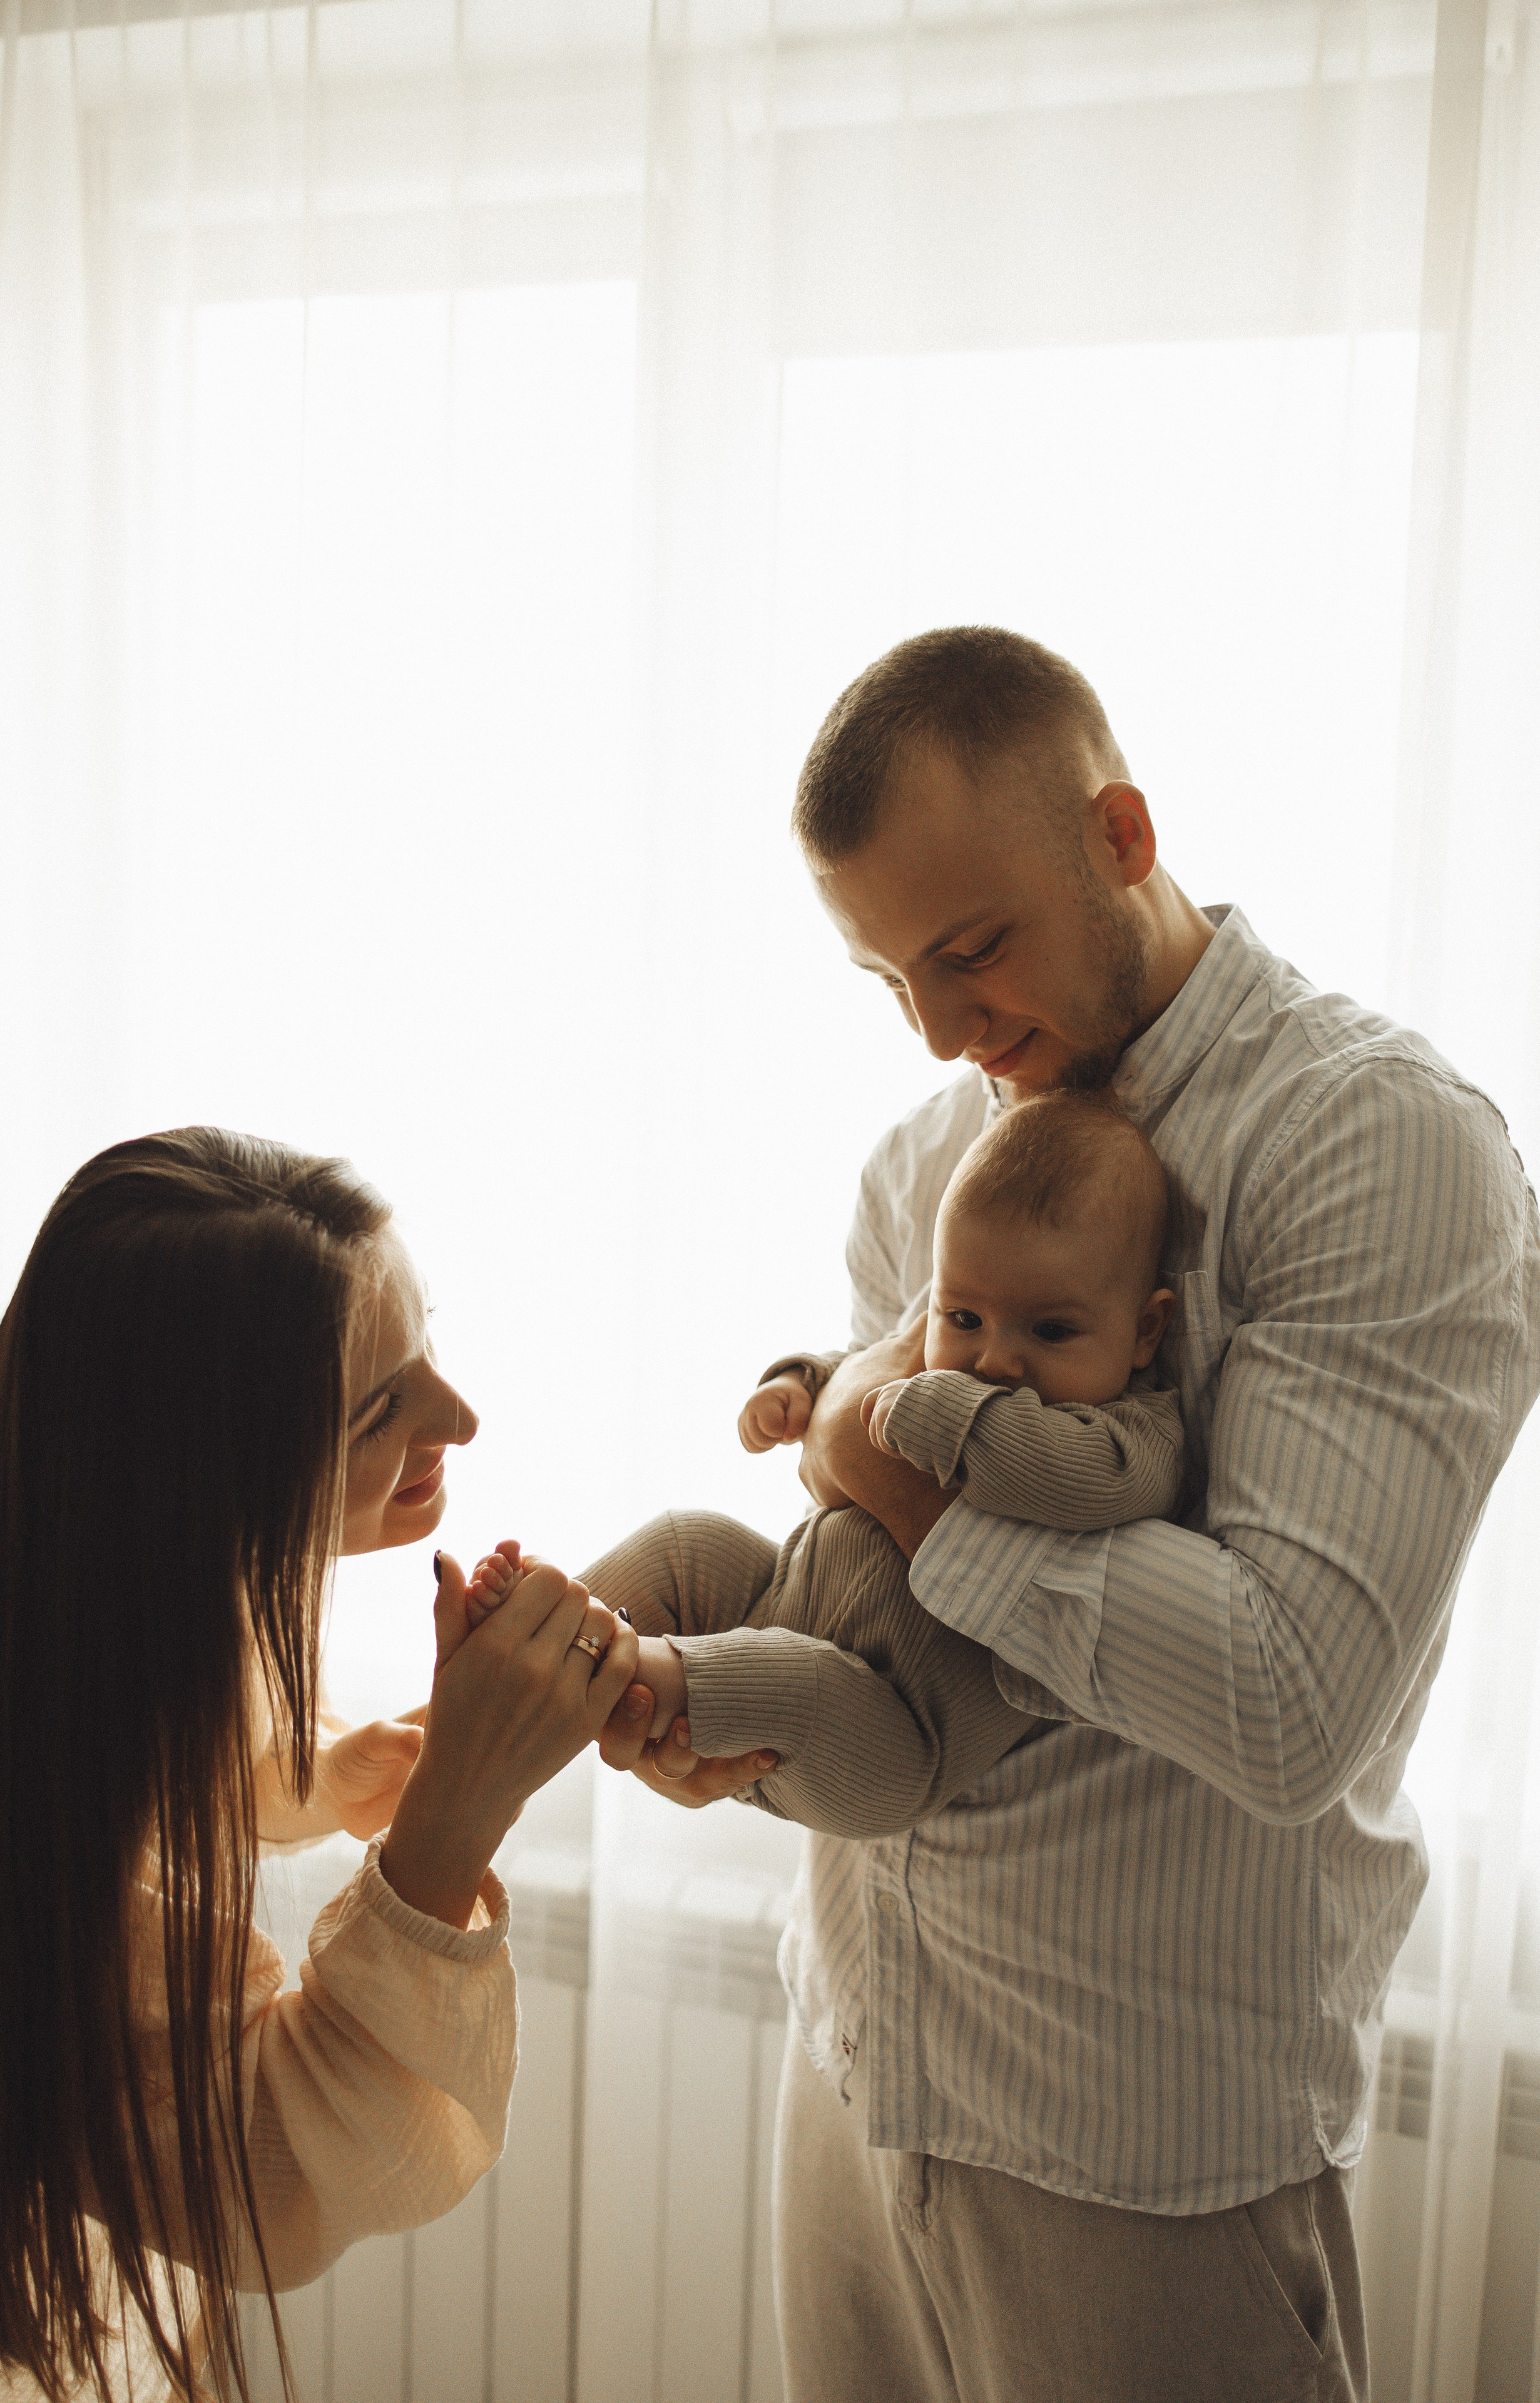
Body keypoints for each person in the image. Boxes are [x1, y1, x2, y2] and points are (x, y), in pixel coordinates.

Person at [599, 626, 1540, 2402]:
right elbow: (889, 1609)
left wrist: (875, 1451)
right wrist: (746, 1713)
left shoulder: (1378, 1147)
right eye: (890, 980)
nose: (944, 1032)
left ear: (1121, 835)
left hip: (1144, 2156)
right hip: (858, 2077)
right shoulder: (926, 1158)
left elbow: (1284, 1703)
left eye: (971, 951)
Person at [0, 1128, 638, 2403]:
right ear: (198, 1473)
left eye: (427, 1348)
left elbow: (139, 1748)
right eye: (382, 1408)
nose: (459, 1417)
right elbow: (268, 2173)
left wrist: (309, 1777)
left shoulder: (59, 1557)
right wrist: (455, 1815)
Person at [478, 1090, 1181, 1840]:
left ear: (1145, 1329)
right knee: (690, 1541)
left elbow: (1087, 1480)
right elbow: (864, 1363)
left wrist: (934, 1409)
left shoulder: (1133, 1434)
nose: (995, 1359)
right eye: (963, 1318)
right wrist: (805, 1384)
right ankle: (523, 1654)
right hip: (784, 1605)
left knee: (796, 1674)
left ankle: (617, 1673)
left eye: (1050, 1331)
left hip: (886, 1734)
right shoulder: (936, 1362)